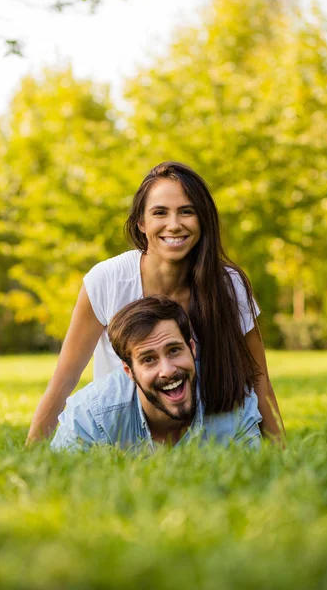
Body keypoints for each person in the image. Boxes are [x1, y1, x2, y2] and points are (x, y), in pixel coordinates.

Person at [28, 161, 284, 444]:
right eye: (160, 213)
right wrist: (32, 455)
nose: (174, 225)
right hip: (125, 433)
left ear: (203, 220)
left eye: (187, 212)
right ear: (141, 222)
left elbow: (259, 381)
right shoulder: (107, 280)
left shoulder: (229, 285)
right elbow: (64, 380)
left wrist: (281, 454)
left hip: (201, 434)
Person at [51, 297, 262, 451]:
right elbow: (60, 489)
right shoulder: (91, 416)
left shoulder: (235, 403)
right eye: (148, 359)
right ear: (129, 371)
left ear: (191, 348)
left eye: (174, 350)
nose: (168, 370)